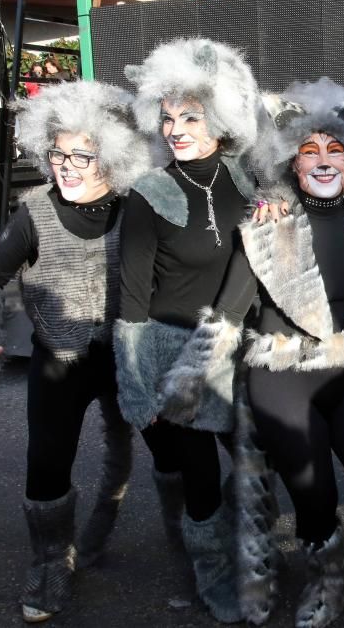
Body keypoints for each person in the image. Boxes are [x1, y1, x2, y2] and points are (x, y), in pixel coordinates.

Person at [178, 78, 344, 627]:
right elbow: (227, 312)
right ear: (290, 166)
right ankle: (327, 584)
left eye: (336, 151)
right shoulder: (266, 224)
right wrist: (188, 384)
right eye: (309, 152)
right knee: (316, 505)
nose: (323, 161)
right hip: (282, 379)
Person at [0, 81, 152, 623]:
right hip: (60, 360)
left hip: (127, 355)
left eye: (82, 154)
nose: (67, 165)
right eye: (58, 152)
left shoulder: (137, 205)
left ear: (111, 156)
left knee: (157, 452)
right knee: (46, 465)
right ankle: (52, 562)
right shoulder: (35, 211)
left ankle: (109, 528)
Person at [114, 38, 260, 623]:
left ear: (220, 119)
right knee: (200, 474)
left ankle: (241, 542)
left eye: (190, 117)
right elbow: (131, 297)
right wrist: (135, 381)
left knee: (258, 462)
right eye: (168, 117)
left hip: (243, 351)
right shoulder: (148, 195)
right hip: (177, 355)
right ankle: (213, 570)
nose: (176, 128)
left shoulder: (248, 180)